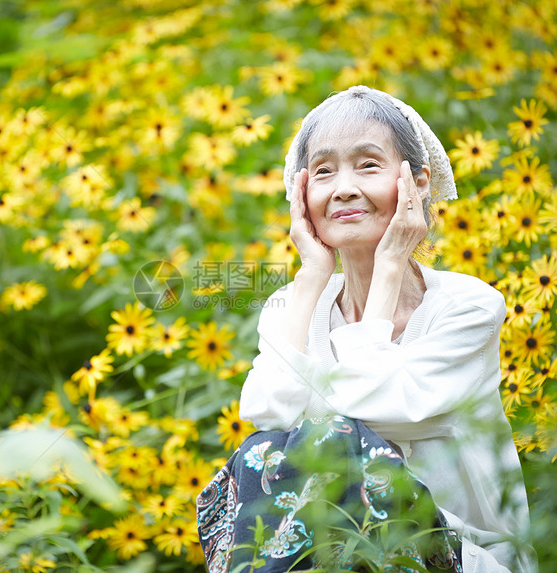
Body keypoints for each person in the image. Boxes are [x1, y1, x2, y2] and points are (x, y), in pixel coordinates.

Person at [197, 86, 536, 573]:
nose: (343, 188)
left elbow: (371, 405)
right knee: (266, 449)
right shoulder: (290, 306)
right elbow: (266, 412)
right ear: (300, 194)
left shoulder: (469, 307)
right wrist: (311, 273)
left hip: (457, 552)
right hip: (322, 551)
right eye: (324, 171)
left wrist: (392, 264)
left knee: (333, 439)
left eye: (368, 165)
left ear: (417, 184)